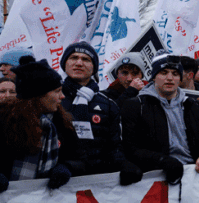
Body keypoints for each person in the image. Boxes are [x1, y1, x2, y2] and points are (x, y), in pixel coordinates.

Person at [121, 55, 199, 184]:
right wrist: (163, 160)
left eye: (175, 73)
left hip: (195, 175)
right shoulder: (135, 105)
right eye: (163, 72)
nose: (170, 78)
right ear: (154, 76)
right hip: (155, 179)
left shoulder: (195, 106)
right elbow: (130, 149)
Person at [59, 42, 142, 184]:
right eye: (73, 58)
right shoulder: (51, 99)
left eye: (86, 59)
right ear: (65, 64)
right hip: (60, 180)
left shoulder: (108, 104)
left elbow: (114, 146)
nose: (79, 63)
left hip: (97, 180)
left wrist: (123, 164)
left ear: (94, 68)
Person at [0, 59, 78, 192]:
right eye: (57, 91)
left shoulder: (62, 122)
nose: (62, 96)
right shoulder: (4, 120)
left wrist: (67, 167)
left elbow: (78, 157)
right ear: (38, 95)